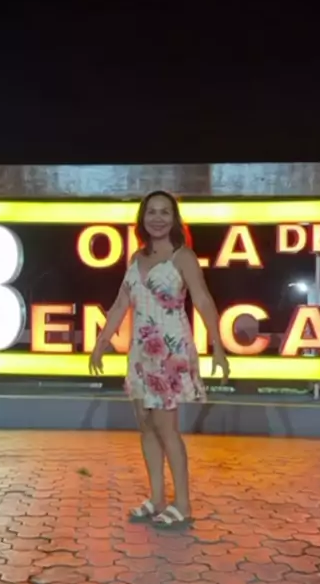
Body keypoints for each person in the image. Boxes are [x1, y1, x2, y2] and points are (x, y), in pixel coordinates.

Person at [89, 190, 230, 530]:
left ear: (174, 219)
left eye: (165, 212)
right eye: (151, 211)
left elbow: (203, 300)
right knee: (146, 426)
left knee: (167, 429)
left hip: (169, 351)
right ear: (142, 218)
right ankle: (156, 498)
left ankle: (183, 504)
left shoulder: (184, 257)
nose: (157, 218)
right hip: (140, 352)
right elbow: (121, 304)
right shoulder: (136, 258)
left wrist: (218, 346)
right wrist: (101, 342)